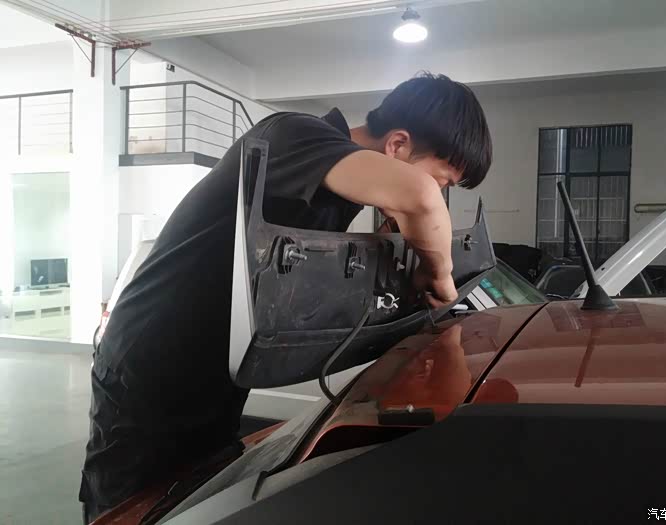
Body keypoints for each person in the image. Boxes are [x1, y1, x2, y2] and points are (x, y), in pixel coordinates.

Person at [79, 72, 492, 523]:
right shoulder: (293, 134)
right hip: (149, 367)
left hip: (211, 373)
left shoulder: (334, 185)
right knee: (131, 508)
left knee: (192, 503)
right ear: (397, 145)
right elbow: (420, 196)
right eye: (444, 179)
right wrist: (443, 283)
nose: (442, 193)